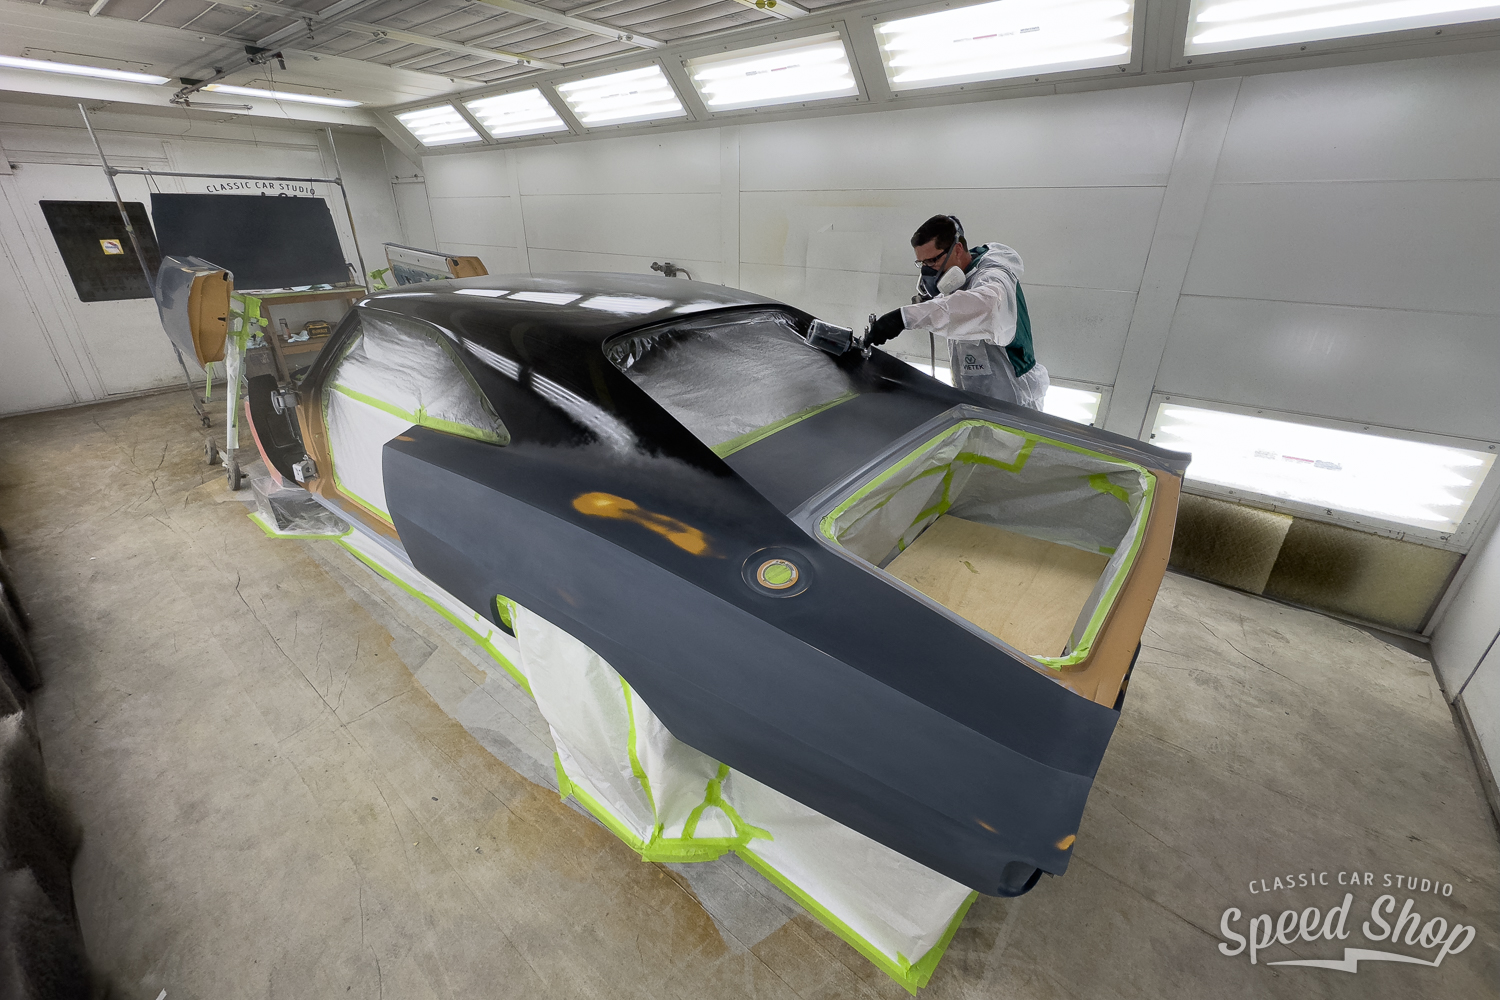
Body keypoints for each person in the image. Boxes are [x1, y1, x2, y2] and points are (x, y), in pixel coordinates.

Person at [866, 215, 1048, 411]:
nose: (928, 272)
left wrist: (905, 318)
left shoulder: (994, 277)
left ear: (958, 249)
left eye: (932, 261)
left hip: (1014, 404)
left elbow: (986, 306)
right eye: (922, 263)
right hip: (974, 401)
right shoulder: (956, 284)